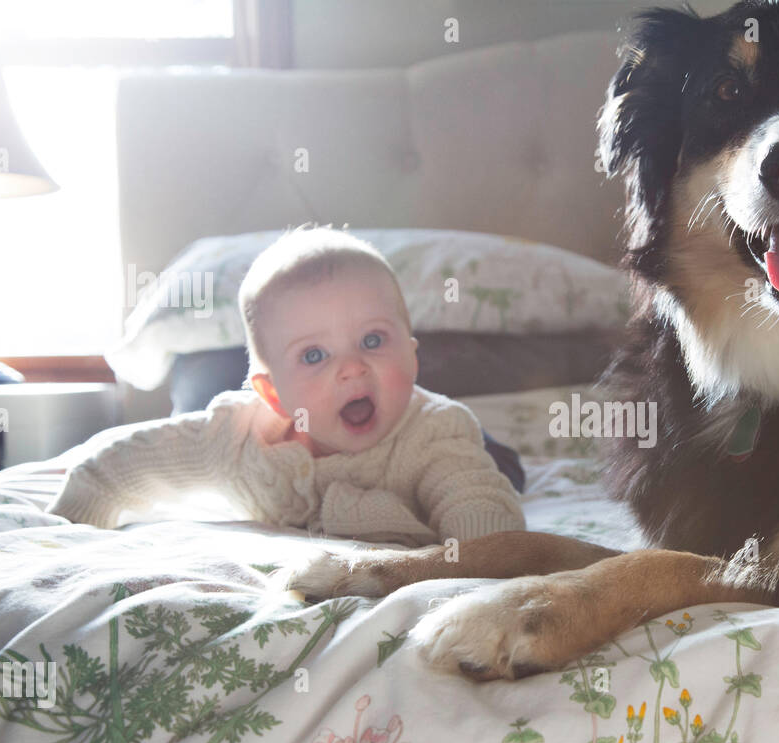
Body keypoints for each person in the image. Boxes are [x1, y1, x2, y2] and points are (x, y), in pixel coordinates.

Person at [47, 226, 525, 545]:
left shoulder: (436, 435)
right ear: (273, 394)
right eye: (314, 355)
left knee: (491, 462)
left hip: (452, 437)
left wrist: (479, 569)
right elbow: (123, 466)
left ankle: (501, 454)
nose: (353, 368)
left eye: (373, 340)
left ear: (413, 353)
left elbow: (481, 515)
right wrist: (70, 533)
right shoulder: (235, 438)